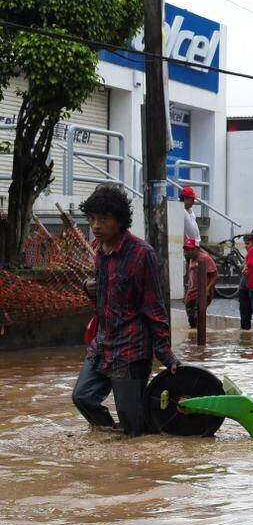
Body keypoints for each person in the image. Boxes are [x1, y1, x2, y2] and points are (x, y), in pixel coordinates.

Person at [72, 184, 178, 437]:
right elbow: (102, 296)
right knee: (82, 397)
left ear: (119, 221)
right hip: (103, 344)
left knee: (134, 425)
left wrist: (165, 354)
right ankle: (110, 440)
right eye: (92, 219)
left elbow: (155, 308)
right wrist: (87, 286)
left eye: (103, 219)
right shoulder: (101, 251)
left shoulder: (142, 254)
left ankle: (139, 466)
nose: (96, 226)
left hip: (131, 349)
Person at [183, 238, 217, 329]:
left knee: (198, 318)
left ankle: (200, 340)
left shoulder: (205, 258)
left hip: (202, 293)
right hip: (191, 293)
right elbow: (190, 278)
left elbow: (214, 275)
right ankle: (193, 340)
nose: (189, 251)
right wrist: (186, 293)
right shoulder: (190, 260)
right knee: (191, 320)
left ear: (197, 249)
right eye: (187, 249)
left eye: (191, 249)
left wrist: (207, 289)